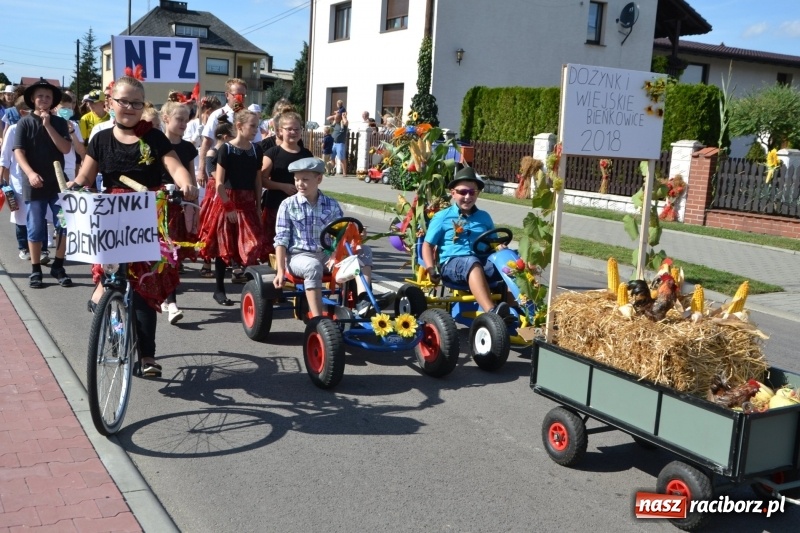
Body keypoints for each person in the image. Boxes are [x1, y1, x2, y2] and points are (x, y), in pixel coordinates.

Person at [69, 75, 198, 378]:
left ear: (143, 106)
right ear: (110, 102)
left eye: (136, 103)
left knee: (142, 287)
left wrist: (186, 183)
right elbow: (86, 177)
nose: (128, 107)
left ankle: (147, 356)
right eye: (122, 101)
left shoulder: (153, 137)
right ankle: (110, 319)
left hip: (146, 215)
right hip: (112, 216)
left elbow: (174, 166)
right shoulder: (100, 138)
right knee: (112, 279)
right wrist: (73, 189)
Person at [273, 157, 374, 318]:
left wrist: (356, 234)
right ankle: (318, 319)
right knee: (313, 266)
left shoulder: (331, 204)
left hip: (329, 256)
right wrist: (280, 271)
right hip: (300, 256)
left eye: (305, 179)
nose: (300, 184)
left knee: (364, 251)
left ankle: (364, 300)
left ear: (318, 179)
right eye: (297, 179)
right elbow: (281, 239)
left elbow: (341, 234)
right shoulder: (287, 205)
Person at [421, 166, 515, 323]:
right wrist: (430, 269)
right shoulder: (442, 217)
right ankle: (493, 314)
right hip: (452, 265)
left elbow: (494, 242)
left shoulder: (484, 217)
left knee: (512, 259)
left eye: (472, 192)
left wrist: (501, 249)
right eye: (462, 192)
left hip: (482, 263)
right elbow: (427, 245)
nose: (467, 196)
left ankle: (516, 310)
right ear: (453, 193)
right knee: (471, 262)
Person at [197, 109, 266, 306]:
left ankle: (253, 292)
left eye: (257, 125)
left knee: (253, 246)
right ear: (239, 126)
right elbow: (218, 182)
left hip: (248, 202)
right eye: (252, 126)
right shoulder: (226, 149)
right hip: (229, 201)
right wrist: (228, 207)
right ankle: (219, 289)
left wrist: (258, 205)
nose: (256, 130)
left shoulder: (256, 150)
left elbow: (257, 180)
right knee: (224, 247)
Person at [13, 78, 72, 289]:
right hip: (34, 184)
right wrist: (29, 173)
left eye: (48, 96)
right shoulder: (24, 122)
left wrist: (48, 125)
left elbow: (65, 148)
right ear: (32, 99)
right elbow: (18, 151)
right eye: (40, 96)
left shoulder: (59, 122)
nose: (44, 100)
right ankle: (36, 269)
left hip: (58, 183)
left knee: (64, 225)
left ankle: (59, 265)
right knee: (35, 227)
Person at [160, 100, 199, 324]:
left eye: (186, 120)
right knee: (162, 252)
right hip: (157, 204)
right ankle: (170, 300)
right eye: (179, 119)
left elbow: (191, 176)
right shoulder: (156, 144)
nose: (183, 123)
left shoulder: (187, 147)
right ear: (166, 119)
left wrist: (191, 200)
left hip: (178, 206)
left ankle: (170, 299)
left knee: (172, 252)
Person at [261, 111, 313, 255]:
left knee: (298, 243)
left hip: (301, 208)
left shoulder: (307, 154)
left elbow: (314, 180)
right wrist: (282, 186)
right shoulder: (272, 153)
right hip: (275, 205)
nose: (293, 132)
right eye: (289, 129)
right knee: (273, 243)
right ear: (280, 131)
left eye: (297, 129)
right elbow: (262, 179)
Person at [196, 78, 260, 185]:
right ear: (227, 95)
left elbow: (257, 143)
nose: (240, 99)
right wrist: (201, 170)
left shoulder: (249, 117)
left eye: (243, 96)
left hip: (243, 166)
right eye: (236, 95)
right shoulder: (217, 115)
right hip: (221, 166)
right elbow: (206, 143)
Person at [197, 117, 234, 278]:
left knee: (224, 230)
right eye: (233, 135)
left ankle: (227, 259)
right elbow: (213, 174)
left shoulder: (229, 151)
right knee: (210, 227)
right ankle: (206, 262)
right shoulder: (213, 152)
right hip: (214, 193)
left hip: (225, 190)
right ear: (225, 136)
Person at [331, 110, 348, 175]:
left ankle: (344, 172)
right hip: (334, 143)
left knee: (341, 158)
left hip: (340, 143)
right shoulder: (335, 123)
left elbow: (346, 122)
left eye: (336, 118)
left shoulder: (343, 123)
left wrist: (343, 116)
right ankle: (332, 170)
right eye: (335, 118)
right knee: (332, 157)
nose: (335, 119)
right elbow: (328, 118)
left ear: (340, 118)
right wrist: (335, 114)